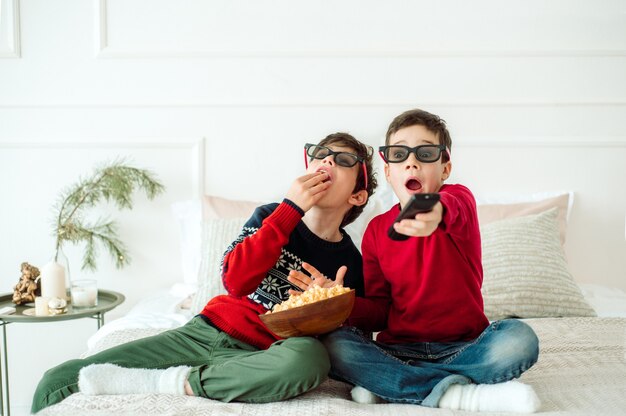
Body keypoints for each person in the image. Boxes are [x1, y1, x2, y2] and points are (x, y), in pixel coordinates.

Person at [31, 132, 377, 414]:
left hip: (266, 355)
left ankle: (181, 383)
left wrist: (331, 301)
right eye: (320, 154)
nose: (327, 161)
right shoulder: (272, 215)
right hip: (203, 332)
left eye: (344, 160)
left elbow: (355, 336)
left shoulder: (351, 261)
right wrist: (290, 209)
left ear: (358, 196)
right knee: (57, 380)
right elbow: (236, 281)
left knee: (310, 360)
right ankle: (186, 376)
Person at [289, 109, 541, 413]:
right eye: (399, 154)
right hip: (399, 351)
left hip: (465, 347)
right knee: (334, 344)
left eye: (425, 152)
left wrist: (430, 211)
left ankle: (393, 386)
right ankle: (457, 394)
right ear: (389, 170)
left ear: (445, 167)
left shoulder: (457, 201)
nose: (412, 161)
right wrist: (338, 300)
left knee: (519, 339)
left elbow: (447, 207)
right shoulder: (376, 231)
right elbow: (380, 313)